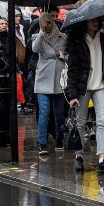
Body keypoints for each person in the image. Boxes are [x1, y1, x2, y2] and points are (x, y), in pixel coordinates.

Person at [64, 17, 104, 174]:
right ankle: (79, 156)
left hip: (101, 86)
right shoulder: (77, 41)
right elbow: (72, 69)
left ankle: (102, 159)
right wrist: (72, 94)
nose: (95, 23)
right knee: (80, 123)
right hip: (83, 88)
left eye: (97, 20)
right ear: (84, 23)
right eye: (91, 21)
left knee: (102, 121)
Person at [33, 13, 67, 155]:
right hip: (43, 79)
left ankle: (59, 139)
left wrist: (61, 55)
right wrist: (41, 33)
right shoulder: (38, 36)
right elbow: (35, 49)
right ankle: (42, 143)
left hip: (59, 79)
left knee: (59, 113)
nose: (46, 26)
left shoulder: (62, 37)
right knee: (44, 112)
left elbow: (68, 55)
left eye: (48, 23)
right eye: (43, 23)